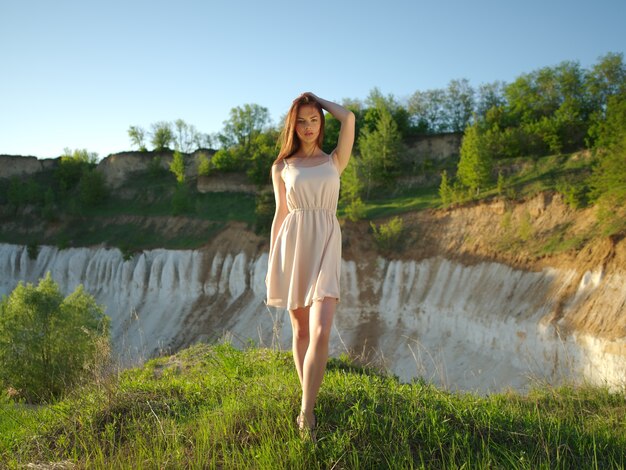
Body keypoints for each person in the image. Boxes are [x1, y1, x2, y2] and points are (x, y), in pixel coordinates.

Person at [265, 92, 355, 440]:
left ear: (321, 123)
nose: (308, 126)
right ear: (293, 125)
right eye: (301, 121)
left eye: (314, 119)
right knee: (301, 332)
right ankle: (310, 399)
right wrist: (274, 258)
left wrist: (316, 99)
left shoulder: (335, 161)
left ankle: (306, 413)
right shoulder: (282, 167)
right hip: (293, 246)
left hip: (327, 244)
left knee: (321, 330)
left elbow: (347, 118)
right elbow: (280, 215)